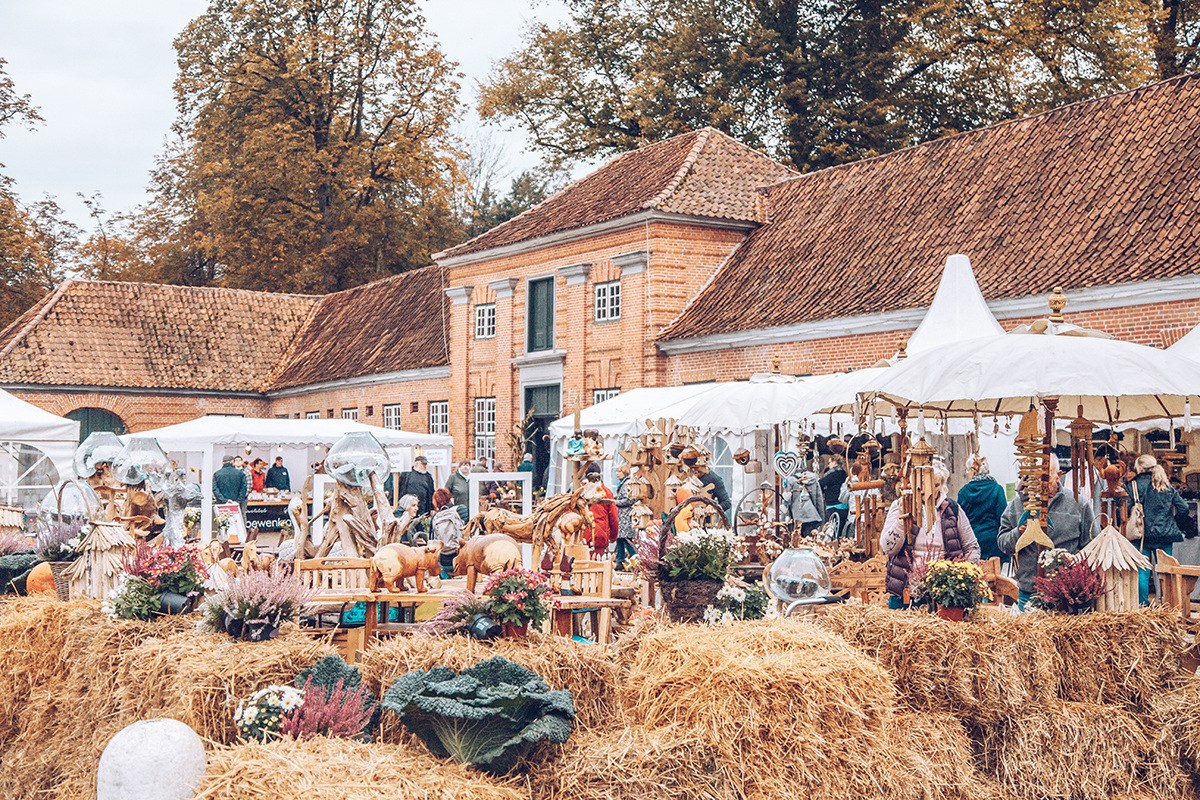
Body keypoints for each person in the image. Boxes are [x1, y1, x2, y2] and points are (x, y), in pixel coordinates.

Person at [997, 454, 1096, 608]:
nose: (1039, 482)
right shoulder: (1017, 505)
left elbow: (1092, 546)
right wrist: (1018, 533)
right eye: (1034, 477)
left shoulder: (1078, 505)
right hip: (1029, 593)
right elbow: (1003, 543)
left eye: (1045, 476)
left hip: (1067, 598)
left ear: (1058, 476)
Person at [881, 460, 981, 609]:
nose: (929, 492)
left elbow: (971, 546)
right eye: (924, 486)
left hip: (944, 595)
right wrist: (903, 520)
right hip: (906, 593)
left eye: (936, 485)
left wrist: (963, 576)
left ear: (942, 484)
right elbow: (887, 548)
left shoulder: (952, 509)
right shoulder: (900, 505)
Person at [1127, 454, 1190, 605]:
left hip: (1142, 535)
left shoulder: (1133, 485)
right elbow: (1184, 507)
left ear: (1140, 468)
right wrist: (1173, 521)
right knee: (1166, 571)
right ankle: (1167, 604)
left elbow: (1126, 509)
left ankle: (1143, 606)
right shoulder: (1166, 485)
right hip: (1165, 535)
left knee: (1142, 572)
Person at [956, 454, 1009, 565]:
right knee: (996, 577)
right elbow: (1003, 517)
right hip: (994, 542)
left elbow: (960, 520)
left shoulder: (963, 492)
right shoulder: (996, 489)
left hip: (972, 542)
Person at [582, 464, 618, 559]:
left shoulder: (580, 491)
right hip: (600, 534)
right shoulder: (606, 492)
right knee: (598, 566)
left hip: (581, 535)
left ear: (585, 475)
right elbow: (613, 517)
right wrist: (613, 536)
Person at [431, 488, 464, 580]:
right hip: (459, 557)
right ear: (450, 498)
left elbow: (432, 540)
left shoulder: (435, 517)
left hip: (443, 560)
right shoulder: (461, 510)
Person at [786, 464, 824, 536]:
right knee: (810, 543)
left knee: (795, 543)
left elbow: (788, 501)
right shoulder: (813, 478)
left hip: (796, 517)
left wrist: (786, 518)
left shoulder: (790, 480)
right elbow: (819, 500)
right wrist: (822, 519)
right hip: (812, 516)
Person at [612, 464, 637, 568]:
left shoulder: (627, 484)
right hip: (622, 516)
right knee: (620, 539)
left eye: (619, 471)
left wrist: (615, 502)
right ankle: (620, 561)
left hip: (626, 515)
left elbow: (630, 499)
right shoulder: (622, 484)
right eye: (617, 471)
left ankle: (635, 559)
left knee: (627, 540)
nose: (617, 474)